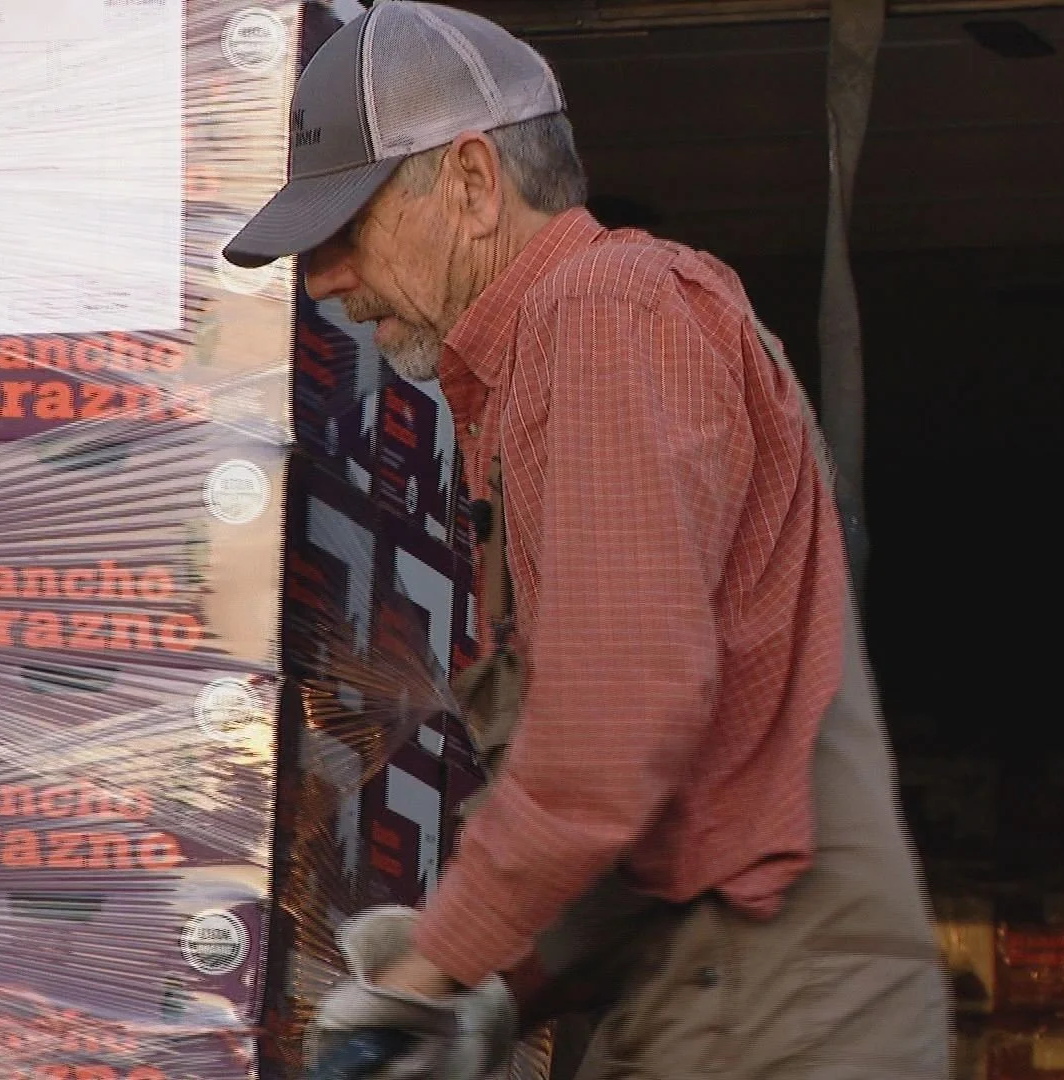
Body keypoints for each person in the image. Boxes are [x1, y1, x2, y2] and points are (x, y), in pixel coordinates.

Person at [223, 2, 951, 1077]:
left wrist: (428, 975)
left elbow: (613, 730)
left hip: (772, 1012)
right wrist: (497, 992)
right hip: (716, 1001)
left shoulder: (604, 311)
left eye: (346, 229)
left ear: (471, 183)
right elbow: (656, 795)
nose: (325, 280)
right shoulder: (540, 368)